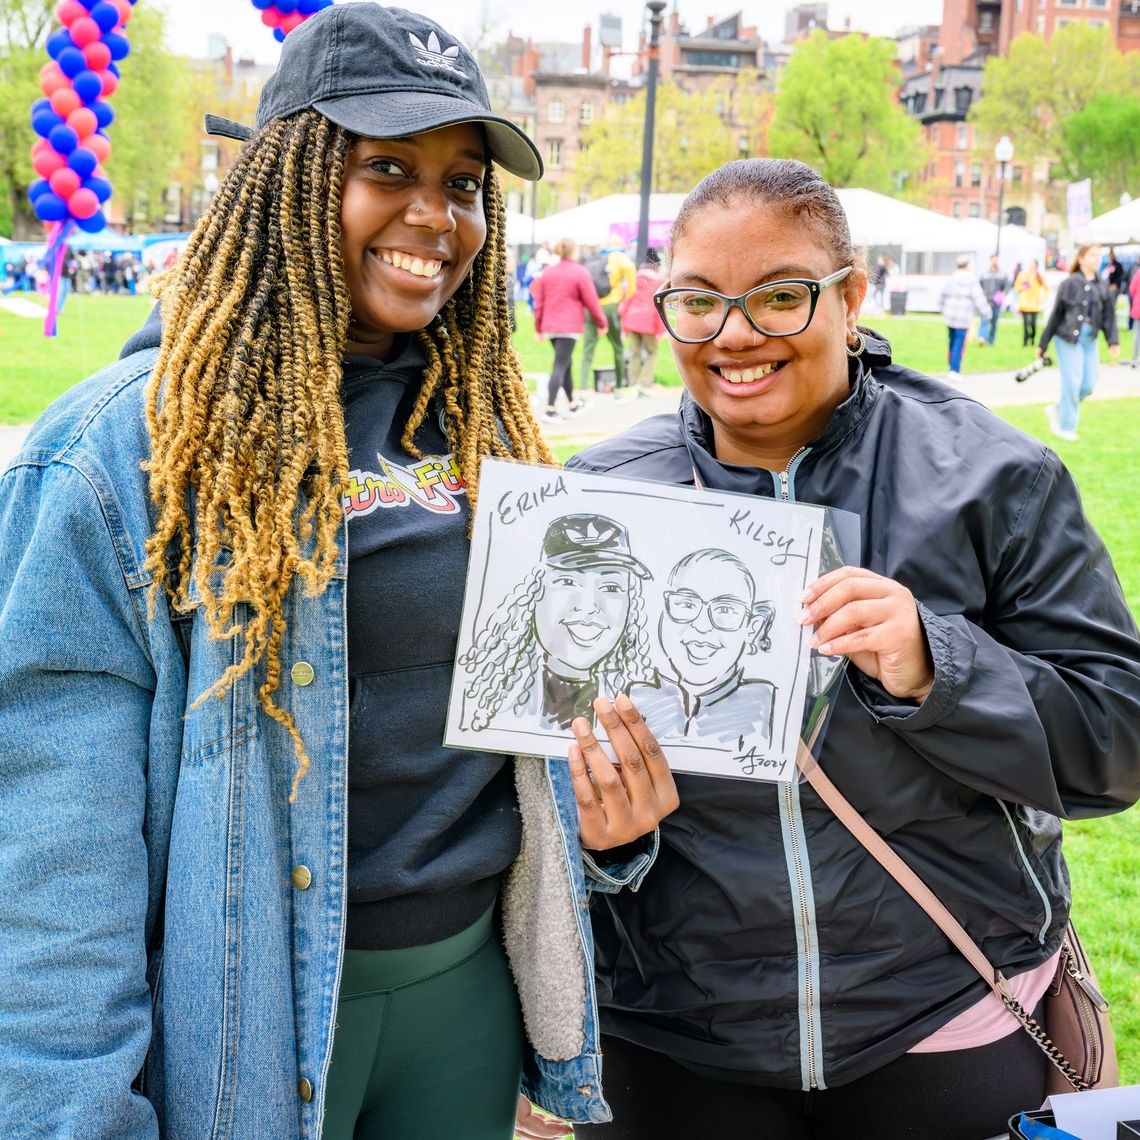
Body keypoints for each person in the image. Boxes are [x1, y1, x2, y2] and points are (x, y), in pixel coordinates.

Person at [0, 7, 679, 1139]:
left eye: (464, 183)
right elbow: (53, 866)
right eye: (387, 167)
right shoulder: (124, 454)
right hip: (242, 1022)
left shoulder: (485, 434)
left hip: (464, 1002)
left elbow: (523, 751)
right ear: (290, 180)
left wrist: (607, 824)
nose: (436, 214)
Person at [566, 158, 1140, 1140]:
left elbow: (1115, 743)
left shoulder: (990, 475)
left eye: (780, 297)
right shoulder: (597, 503)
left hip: (944, 1019)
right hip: (670, 1035)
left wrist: (936, 667)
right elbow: (519, 807)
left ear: (852, 295)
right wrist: (600, 838)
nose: (736, 334)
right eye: (698, 303)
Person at [460, 513, 655, 733]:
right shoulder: (490, 698)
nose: (588, 606)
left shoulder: (653, 702)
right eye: (567, 581)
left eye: (611, 587)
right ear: (534, 592)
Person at [628, 548, 776, 746]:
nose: (702, 625)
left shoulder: (765, 706)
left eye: (726, 609)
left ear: (752, 627)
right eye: (687, 604)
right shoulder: (636, 698)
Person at [1037, 243, 1120, 442]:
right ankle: (1067, 427)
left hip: (1090, 339)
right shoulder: (1070, 283)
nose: (1096, 258)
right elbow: (1056, 314)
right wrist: (1043, 344)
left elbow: (1109, 316)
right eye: (1092, 255)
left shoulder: (1102, 285)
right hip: (1067, 338)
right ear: (1081, 258)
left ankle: (1057, 409)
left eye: (1098, 255)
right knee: (1072, 383)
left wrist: (1113, 341)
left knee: (1088, 385)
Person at [531, 237, 607, 422]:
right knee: (560, 365)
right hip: (568, 325)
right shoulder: (579, 272)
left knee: (565, 363)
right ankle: (549, 409)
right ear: (574, 251)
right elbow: (591, 300)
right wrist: (602, 322)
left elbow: (539, 302)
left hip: (551, 326)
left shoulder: (548, 272)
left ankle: (573, 404)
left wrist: (538, 327)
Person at [580, 245, 636, 395]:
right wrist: (627, 297)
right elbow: (630, 270)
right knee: (617, 347)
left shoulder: (594, 259)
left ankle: (583, 389)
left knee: (587, 350)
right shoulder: (619, 256)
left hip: (591, 307)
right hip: (611, 306)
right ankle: (618, 388)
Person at [618, 248, 667, 397]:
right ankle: (644, 384)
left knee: (634, 353)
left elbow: (625, 301)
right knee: (651, 352)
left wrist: (623, 323)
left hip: (632, 320)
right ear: (656, 264)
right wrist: (661, 329)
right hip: (649, 323)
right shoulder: (659, 281)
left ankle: (633, 384)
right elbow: (659, 306)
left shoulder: (633, 277)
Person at [938, 253, 990, 380]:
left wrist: (941, 308)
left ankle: (951, 365)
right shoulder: (971, 279)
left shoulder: (952, 277)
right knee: (959, 343)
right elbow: (979, 297)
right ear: (967, 265)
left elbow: (942, 294)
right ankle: (954, 370)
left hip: (950, 315)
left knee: (952, 340)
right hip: (963, 315)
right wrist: (986, 312)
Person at [1013, 258, 1048, 347]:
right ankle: (1025, 342)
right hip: (1024, 303)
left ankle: (1032, 337)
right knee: (1025, 324)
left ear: (1036, 266)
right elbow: (1016, 287)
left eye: (1033, 264)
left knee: (1033, 324)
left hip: (1035, 304)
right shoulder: (1023, 275)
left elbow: (1046, 289)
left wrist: (1042, 299)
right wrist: (1022, 288)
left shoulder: (1039, 276)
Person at [976, 253, 1008, 345]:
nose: (995, 261)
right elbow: (979, 285)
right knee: (984, 320)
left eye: (996, 259)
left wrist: (1003, 294)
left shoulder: (1002, 274)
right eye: (993, 259)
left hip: (996, 303)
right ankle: (982, 338)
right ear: (990, 260)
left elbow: (1006, 286)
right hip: (986, 301)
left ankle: (991, 340)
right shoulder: (984, 273)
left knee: (994, 322)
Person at [1130, 263, 1140, 367]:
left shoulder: (1138, 273)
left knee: (1137, 334)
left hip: (1138, 307)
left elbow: (1132, 289)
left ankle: (1134, 359)